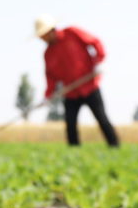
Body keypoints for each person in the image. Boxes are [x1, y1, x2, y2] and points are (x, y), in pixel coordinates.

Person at [34, 15, 120, 147]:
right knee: (70, 125)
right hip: (71, 93)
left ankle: (115, 146)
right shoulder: (48, 54)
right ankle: (74, 154)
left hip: (90, 86)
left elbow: (95, 42)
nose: (41, 39)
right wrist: (47, 96)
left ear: (50, 30)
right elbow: (50, 78)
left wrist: (100, 61)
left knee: (102, 119)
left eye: (42, 35)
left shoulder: (72, 32)